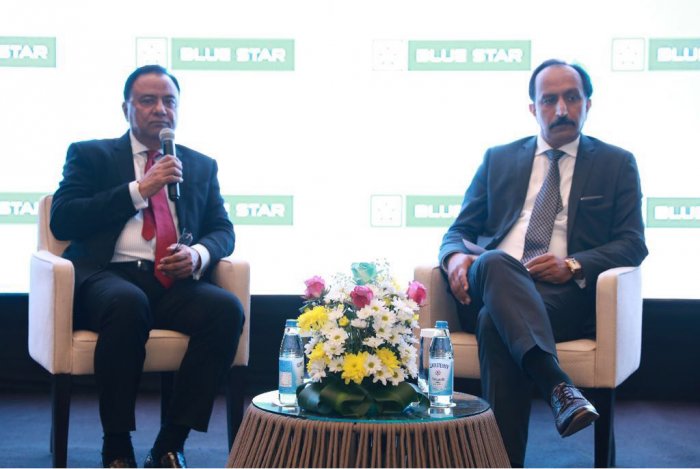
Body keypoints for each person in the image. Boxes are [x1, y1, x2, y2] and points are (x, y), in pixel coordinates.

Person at [438, 59, 647, 466]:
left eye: (572, 98)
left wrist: (573, 264)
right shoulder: (498, 159)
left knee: (493, 325)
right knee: (495, 261)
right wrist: (453, 256)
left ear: (588, 103)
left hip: (560, 297)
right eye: (549, 100)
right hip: (492, 279)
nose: (562, 109)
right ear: (533, 108)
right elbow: (458, 230)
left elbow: (632, 243)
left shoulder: (616, 163)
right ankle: (559, 388)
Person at [50, 64, 244, 469]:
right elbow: (63, 220)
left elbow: (221, 229)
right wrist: (141, 189)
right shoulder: (90, 155)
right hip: (107, 276)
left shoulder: (200, 165)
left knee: (226, 310)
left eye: (169, 101)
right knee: (127, 303)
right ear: (126, 108)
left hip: (171, 281)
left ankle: (170, 444)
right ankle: (117, 446)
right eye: (148, 100)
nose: (161, 109)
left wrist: (198, 255)